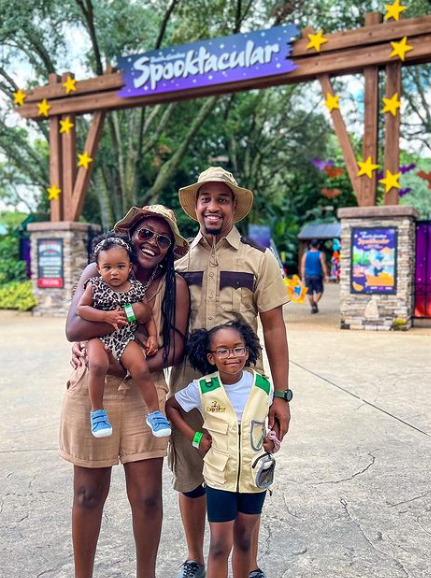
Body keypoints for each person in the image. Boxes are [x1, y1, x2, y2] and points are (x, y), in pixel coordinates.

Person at [169, 167, 292, 578]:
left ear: (234, 207)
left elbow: (274, 327)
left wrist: (282, 394)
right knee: (191, 470)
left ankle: (248, 564)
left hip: (246, 388)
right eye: (206, 199)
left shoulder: (259, 260)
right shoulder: (179, 260)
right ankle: (195, 559)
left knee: (246, 471)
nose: (213, 206)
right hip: (190, 382)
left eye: (222, 199)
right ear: (197, 206)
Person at [62, 205, 190, 578]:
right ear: (131, 235)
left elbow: (174, 348)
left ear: (170, 248)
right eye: (146, 234)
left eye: (163, 239)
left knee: (148, 497)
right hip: (93, 387)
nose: (153, 243)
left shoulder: (174, 286)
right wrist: (108, 337)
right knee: (88, 494)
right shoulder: (94, 273)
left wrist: (134, 365)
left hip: (143, 389)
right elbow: (73, 328)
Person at [166, 320, 277, 578]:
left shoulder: (263, 386)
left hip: (254, 478)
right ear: (211, 356)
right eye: (223, 350)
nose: (232, 356)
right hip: (219, 479)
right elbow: (171, 407)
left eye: (238, 349)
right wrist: (195, 437)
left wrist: (273, 441)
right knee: (219, 546)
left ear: (248, 351)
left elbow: (266, 424)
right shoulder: (204, 388)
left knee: (245, 542)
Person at [77, 232, 172, 439]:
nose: (114, 272)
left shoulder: (136, 288)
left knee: (141, 368)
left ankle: (155, 414)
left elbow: (147, 316)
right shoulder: (95, 286)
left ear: (130, 267)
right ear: (98, 268)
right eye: (107, 267)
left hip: (125, 338)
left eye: (120, 266)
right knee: (97, 365)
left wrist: (153, 337)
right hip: (98, 339)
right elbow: (81, 309)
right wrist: (104, 316)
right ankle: (98, 413)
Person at [300, 240, 329, 314]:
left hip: (307, 276)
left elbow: (302, 266)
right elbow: (323, 265)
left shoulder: (306, 255)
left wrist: (303, 277)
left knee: (310, 293)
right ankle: (315, 303)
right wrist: (326, 275)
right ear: (318, 246)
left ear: (310, 246)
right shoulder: (320, 254)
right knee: (320, 291)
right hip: (317, 276)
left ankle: (313, 307)